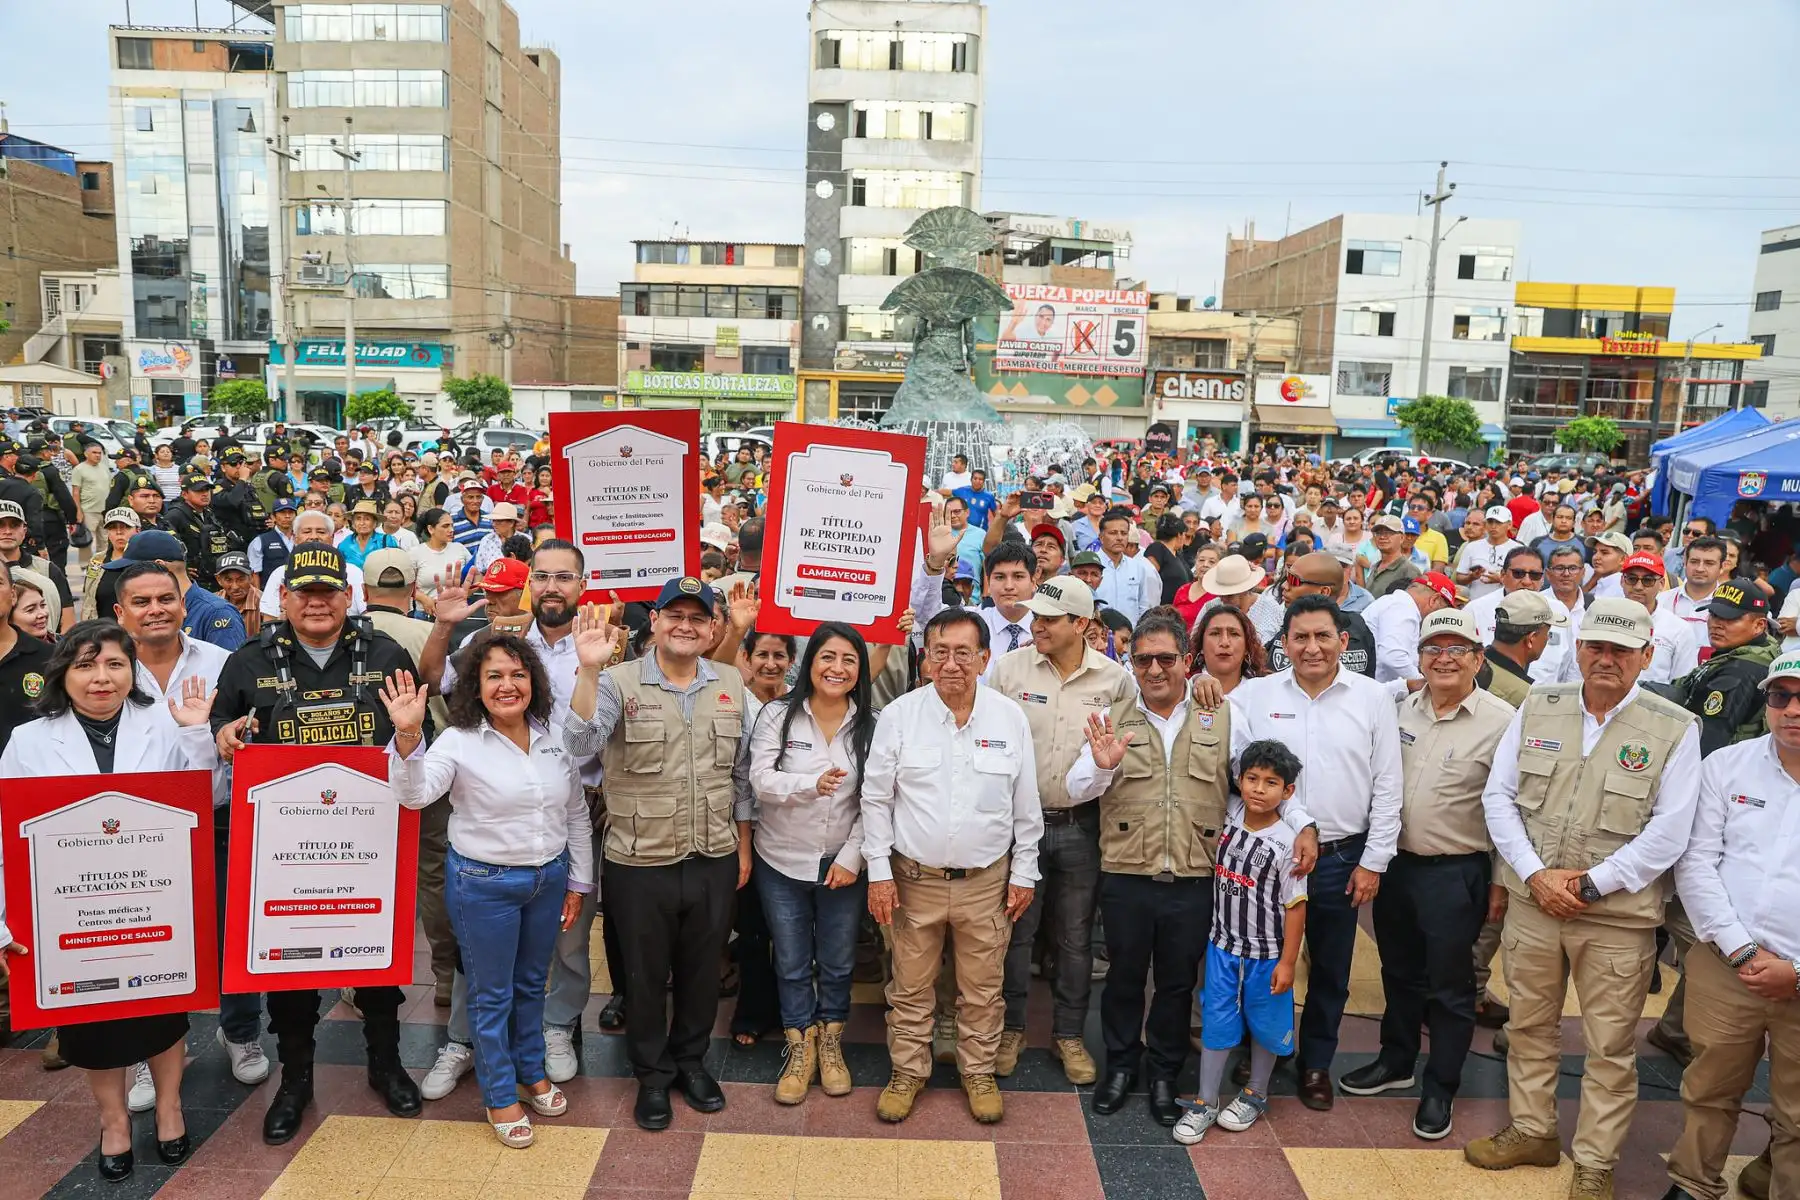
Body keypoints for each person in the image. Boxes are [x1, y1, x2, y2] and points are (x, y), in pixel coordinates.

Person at [1466, 599, 1702, 1200]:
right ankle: (1532, 1129)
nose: (1607, 659)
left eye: (1622, 650)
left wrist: (1593, 884)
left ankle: (1595, 1161)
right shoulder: (1541, 705)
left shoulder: (1673, 727)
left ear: (1647, 655)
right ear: (1578, 647)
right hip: (1535, 902)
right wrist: (1536, 874)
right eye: (1597, 646)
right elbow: (1500, 799)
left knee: (1609, 1046)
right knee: (1530, 1026)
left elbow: (1671, 831)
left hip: (1617, 918)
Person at [209, 543, 425, 1143]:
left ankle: (386, 1063)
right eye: (303, 592)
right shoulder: (249, 659)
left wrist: (410, 734)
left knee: (375, 959)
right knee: (292, 961)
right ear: (283, 599)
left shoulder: (385, 653)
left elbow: (417, 738)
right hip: (284, 846)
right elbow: (219, 731)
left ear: (348, 596)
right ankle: (296, 1079)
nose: (316, 602)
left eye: (328, 591)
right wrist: (223, 735)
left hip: (368, 838)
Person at [0, 620, 217, 1180]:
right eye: (86, 665)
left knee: (161, 1013)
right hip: (73, 913)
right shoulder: (28, 741)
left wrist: (196, 734)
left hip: (155, 904)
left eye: (115, 664)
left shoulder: (166, 726)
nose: (102, 678)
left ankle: (169, 1107)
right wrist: (4, 920)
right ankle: (113, 1120)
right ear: (63, 674)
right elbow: (7, 837)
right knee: (91, 1022)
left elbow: (204, 802)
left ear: (133, 670)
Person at [383, 635, 589, 1148]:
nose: (507, 686)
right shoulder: (458, 741)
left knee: (530, 985)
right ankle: (500, 1095)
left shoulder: (553, 736)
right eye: (494, 675)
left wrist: (578, 882)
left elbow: (575, 813)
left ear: (534, 682)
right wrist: (408, 738)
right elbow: (414, 796)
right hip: (483, 885)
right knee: (491, 994)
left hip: (547, 879)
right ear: (476, 685)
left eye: (518, 674)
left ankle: (530, 1071)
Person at [561, 576, 747, 1131]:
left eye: (697, 618)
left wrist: (744, 846)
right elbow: (578, 745)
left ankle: (691, 1062)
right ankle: (652, 1075)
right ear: (657, 622)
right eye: (675, 616)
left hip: (712, 852)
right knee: (643, 977)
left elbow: (740, 776)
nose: (686, 626)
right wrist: (588, 669)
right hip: (639, 860)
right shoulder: (617, 681)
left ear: (713, 628)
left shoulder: (732, 682)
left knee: (699, 973)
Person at [860, 608, 1042, 1125]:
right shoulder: (900, 715)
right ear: (925, 658)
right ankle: (908, 1072)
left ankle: (977, 1070)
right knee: (910, 986)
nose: (952, 663)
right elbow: (875, 800)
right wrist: (878, 872)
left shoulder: (1009, 718)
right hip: (912, 882)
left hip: (987, 884)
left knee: (983, 989)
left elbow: (1026, 808)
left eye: (964, 652)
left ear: (985, 658)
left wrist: (1024, 873)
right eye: (940, 651)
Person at [420, 542, 590, 1088]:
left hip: (569, 811)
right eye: (542, 576)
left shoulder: (608, 644)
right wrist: (443, 626)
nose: (552, 587)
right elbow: (431, 681)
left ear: (581, 585)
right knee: (484, 957)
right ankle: (465, 1041)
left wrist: (594, 667)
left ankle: (552, 1029)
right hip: (490, 818)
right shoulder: (494, 643)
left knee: (562, 944)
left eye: (565, 577)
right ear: (529, 585)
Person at [1339, 609, 1514, 1141]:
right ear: (1418, 659)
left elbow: (1513, 806)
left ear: (1477, 659)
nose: (1444, 658)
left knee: (1450, 987)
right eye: (1433, 648)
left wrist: (1502, 881)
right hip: (1397, 866)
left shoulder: (1503, 721)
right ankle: (1396, 1061)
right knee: (1399, 972)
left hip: (1456, 871)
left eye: (1456, 648)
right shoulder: (1397, 710)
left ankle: (1441, 1086)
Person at [1226, 595, 1402, 1110]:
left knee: (1330, 969)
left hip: (1341, 859)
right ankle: (1264, 1049)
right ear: (1284, 644)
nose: (1312, 647)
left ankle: (1317, 1063)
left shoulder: (1371, 699)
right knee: (1260, 962)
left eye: (1323, 636)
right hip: (1267, 858)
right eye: (1300, 637)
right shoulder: (1256, 696)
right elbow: (1237, 775)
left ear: (1343, 641)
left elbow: (1388, 786)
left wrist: (1374, 861)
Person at [987, 576, 1134, 1087]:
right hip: (1017, 827)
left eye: (1050, 619)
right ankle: (1010, 1030)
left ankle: (1069, 1034)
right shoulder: (1008, 670)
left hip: (1080, 826)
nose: (1037, 625)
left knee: (1074, 940)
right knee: (1016, 933)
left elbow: (1124, 750)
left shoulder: (1114, 681)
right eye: (1036, 617)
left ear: (1082, 625)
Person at [1663, 653, 1796, 1200]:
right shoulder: (1728, 766)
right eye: (1779, 697)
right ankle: (1692, 1183)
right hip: (1727, 966)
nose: (1791, 709)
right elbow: (1695, 862)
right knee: (1709, 1087)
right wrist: (1741, 951)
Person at [748, 622, 877, 1105]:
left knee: (840, 960)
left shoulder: (872, 723)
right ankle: (799, 1047)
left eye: (848, 659)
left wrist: (851, 858)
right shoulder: (778, 716)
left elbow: (877, 802)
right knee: (791, 960)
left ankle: (831, 1044)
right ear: (810, 662)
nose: (836, 668)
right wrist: (810, 784)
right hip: (780, 860)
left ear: (860, 669)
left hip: (842, 865)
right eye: (827, 657)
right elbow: (759, 781)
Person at [1169, 739, 1310, 1146]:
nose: (1258, 789)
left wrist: (1288, 962)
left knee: (1265, 1026)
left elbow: (1296, 909)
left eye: (1271, 783)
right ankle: (1206, 1100)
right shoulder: (1229, 814)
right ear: (1239, 780)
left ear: (1288, 793)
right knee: (1216, 1021)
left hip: (1267, 955)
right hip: (1223, 948)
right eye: (1251, 779)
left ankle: (1255, 1093)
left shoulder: (1289, 844)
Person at [1661, 578, 1779, 756]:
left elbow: (1708, 741)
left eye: (1729, 618)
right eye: (1714, 614)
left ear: (1759, 625)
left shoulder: (1738, 672)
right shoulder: (1758, 650)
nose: (1717, 624)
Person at [103, 530, 246, 652]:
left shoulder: (216, 613)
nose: (126, 577)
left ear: (159, 566)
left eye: (132, 570)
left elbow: (230, 676)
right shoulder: (141, 612)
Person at [259, 511, 366, 619]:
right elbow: (269, 620)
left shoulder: (353, 572)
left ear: (332, 537)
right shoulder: (280, 573)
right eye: (306, 532)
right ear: (295, 538)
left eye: (321, 532)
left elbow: (366, 613)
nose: (314, 536)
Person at [1363, 571, 1457, 686]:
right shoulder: (1403, 606)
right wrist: (1425, 684)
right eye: (1442, 609)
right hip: (1373, 691)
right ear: (1434, 600)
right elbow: (1393, 656)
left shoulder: (1399, 604)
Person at [1619, 553, 1701, 686]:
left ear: (1661, 584)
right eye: (1632, 579)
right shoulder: (1602, 617)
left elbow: (1681, 685)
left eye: (1648, 580)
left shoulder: (1679, 629)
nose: (1638, 586)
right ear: (1622, 581)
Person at [1482, 591, 1565, 709]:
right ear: (1531, 639)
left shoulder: (1469, 665)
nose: (1547, 638)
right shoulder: (1530, 699)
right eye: (1547, 633)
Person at [1659, 535, 1727, 637]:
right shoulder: (1661, 601)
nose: (1700, 569)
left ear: (1722, 567)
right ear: (1685, 563)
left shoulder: (1728, 605)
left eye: (1709, 563)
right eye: (1694, 562)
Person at [1454, 507, 1523, 601]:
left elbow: (1523, 581)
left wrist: (1501, 579)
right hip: (1476, 602)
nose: (1493, 526)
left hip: (1506, 603)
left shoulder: (1518, 549)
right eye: (1490, 522)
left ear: (1509, 525)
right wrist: (1472, 576)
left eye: (1498, 522)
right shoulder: (1472, 547)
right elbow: (1459, 577)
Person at [1366, 514, 1421, 598]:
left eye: (1389, 533)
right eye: (1378, 533)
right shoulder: (1375, 566)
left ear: (1402, 538)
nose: (1382, 537)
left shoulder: (1410, 570)